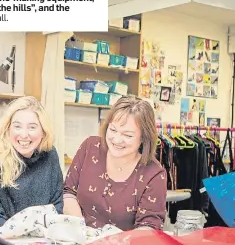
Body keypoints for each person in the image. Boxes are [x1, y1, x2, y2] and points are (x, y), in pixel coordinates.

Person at [63, 96, 167, 230]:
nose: (117, 140)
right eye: (112, 130)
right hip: (79, 238)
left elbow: (149, 227)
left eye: (127, 135)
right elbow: (68, 192)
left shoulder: (154, 174)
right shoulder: (90, 147)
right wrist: (81, 230)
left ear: (144, 138)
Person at [0, 96, 63, 233]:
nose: (24, 135)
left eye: (32, 127)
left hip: (42, 241)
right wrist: (18, 241)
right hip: (3, 242)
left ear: (43, 131)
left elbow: (57, 205)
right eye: (17, 126)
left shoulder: (50, 156)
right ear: (8, 129)